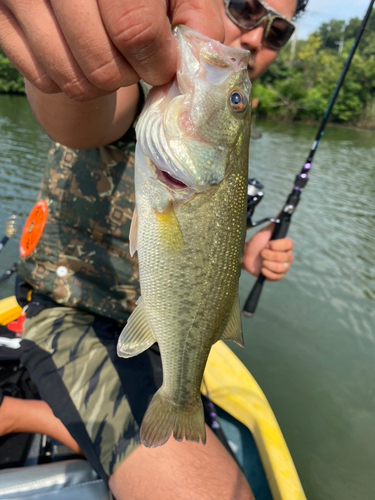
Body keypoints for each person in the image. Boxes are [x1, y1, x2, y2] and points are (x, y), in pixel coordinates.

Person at [0, 0, 307, 499]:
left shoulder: (216, 152)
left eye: (279, 32)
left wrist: (247, 253)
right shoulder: (141, 94)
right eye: (247, 8)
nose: (256, 39)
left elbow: (202, 251)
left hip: (164, 329)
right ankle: (22, 413)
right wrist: (73, 63)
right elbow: (80, 120)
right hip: (75, 313)